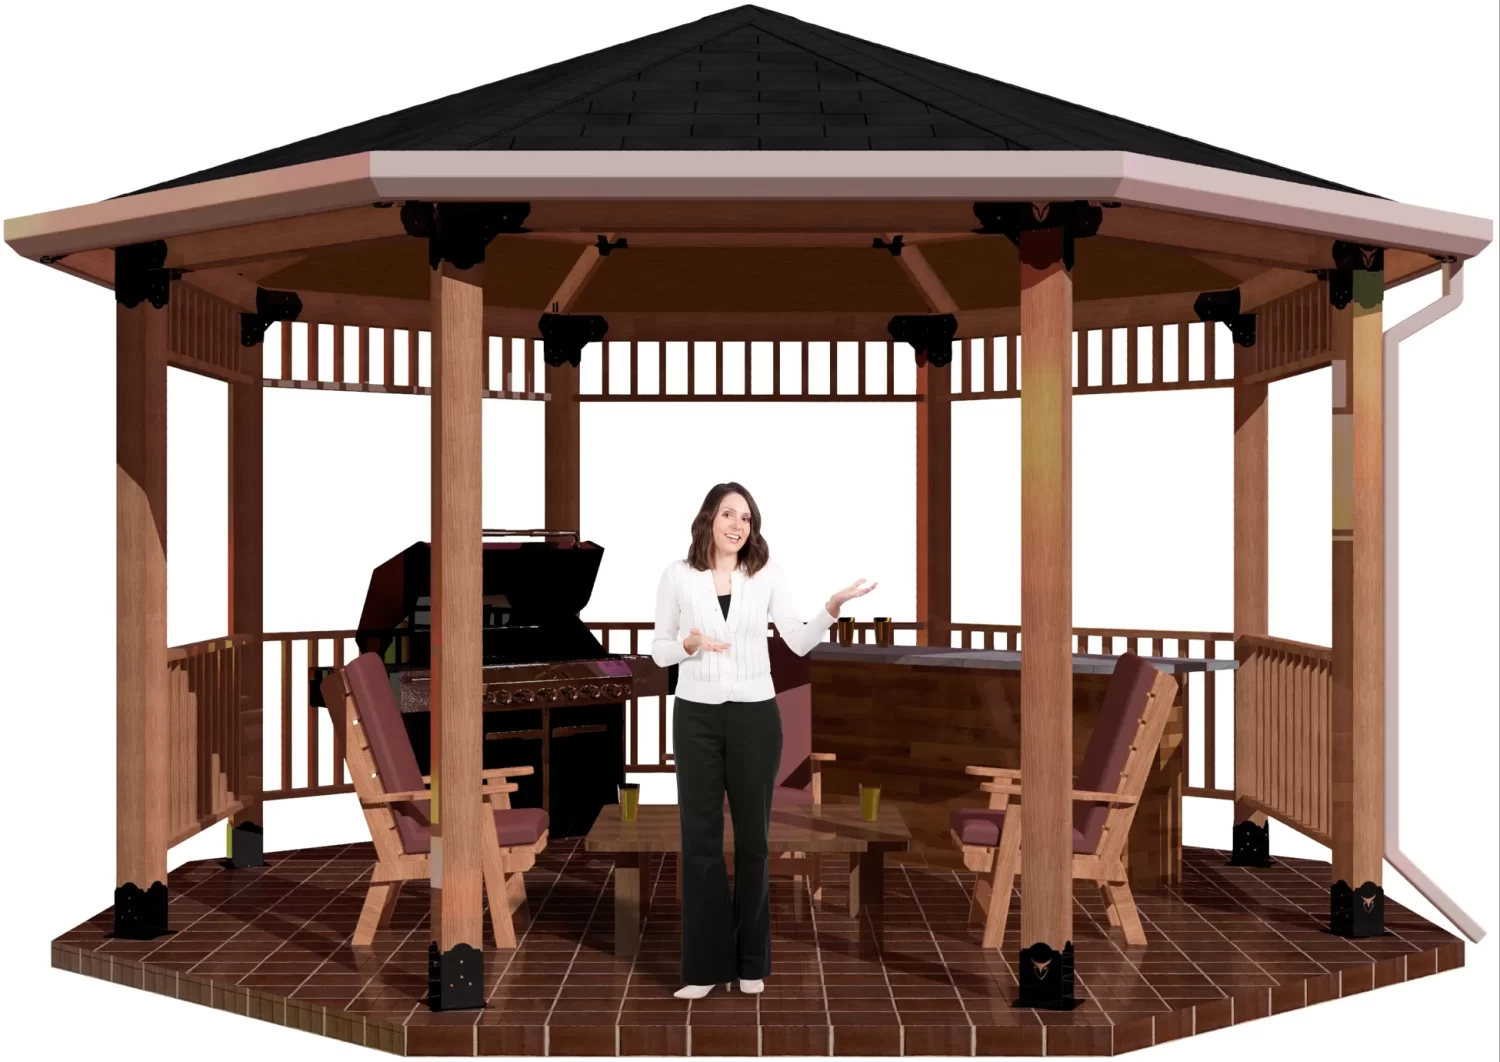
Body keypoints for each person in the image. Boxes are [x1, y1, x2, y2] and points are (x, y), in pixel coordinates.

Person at [650, 482, 876, 1000]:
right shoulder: (677, 576)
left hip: (755, 717)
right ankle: (704, 967)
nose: (737, 525)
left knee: (753, 842)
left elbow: (795, 640)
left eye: (746, 518)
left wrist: (832, 607)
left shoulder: (766, 575)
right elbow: (660, 651)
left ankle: (751, 961)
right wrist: (689, 642)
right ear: (708, 518)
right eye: (728, 514)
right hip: (696, 717)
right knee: (701, 842)